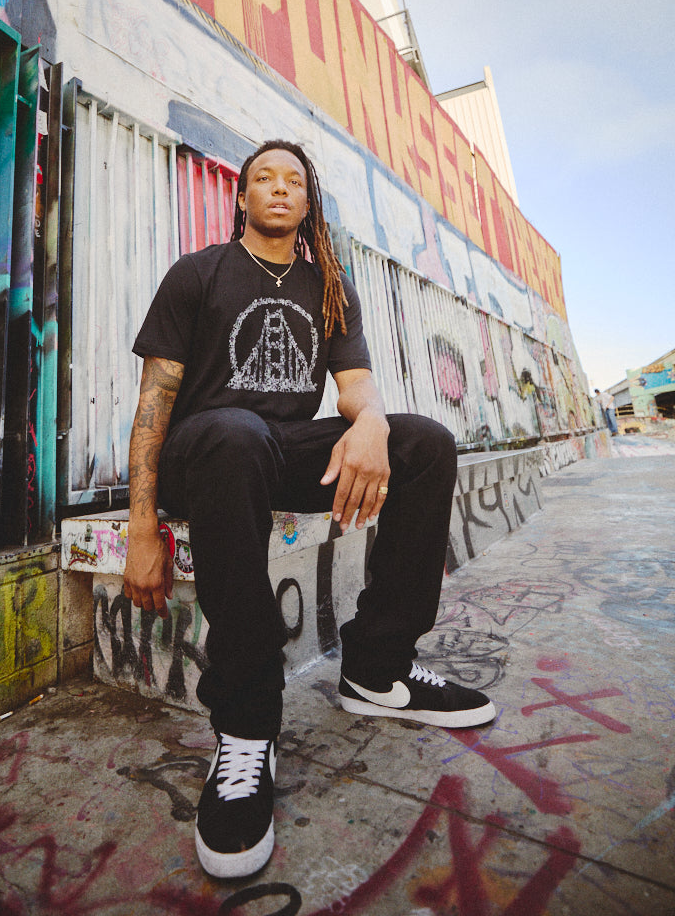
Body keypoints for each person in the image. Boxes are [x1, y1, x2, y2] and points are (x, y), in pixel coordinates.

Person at [123, 140, 495, 879]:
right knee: (235, 432)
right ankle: (246, 727)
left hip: (283, 449)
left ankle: (379, 668)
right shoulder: (197, 274)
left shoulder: (328, 285)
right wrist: (142, 524)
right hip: (209, 451)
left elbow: (355, 387)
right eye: (264, 176)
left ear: (308, 202)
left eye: (295, 180)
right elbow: (153, 405)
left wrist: (374, 425)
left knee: (426, 441)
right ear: (241, 197)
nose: (280, 188)